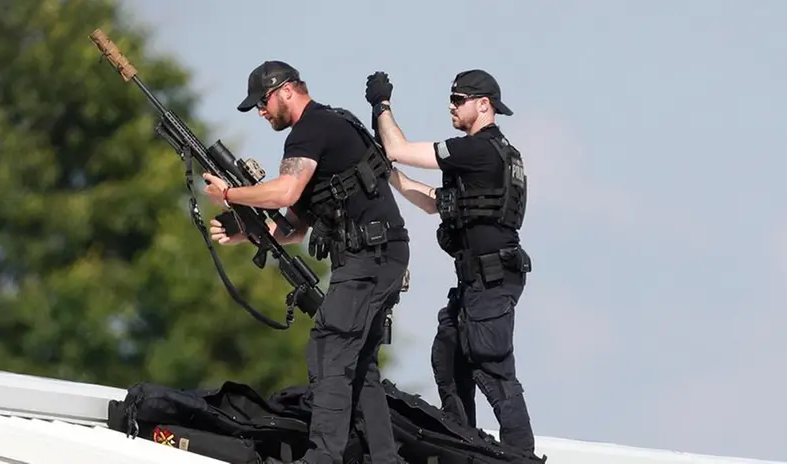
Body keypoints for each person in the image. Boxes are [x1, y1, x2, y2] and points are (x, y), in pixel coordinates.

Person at [203, 60, 410, 464]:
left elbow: (283, 191)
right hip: (375, 254)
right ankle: (385, 458)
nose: (261, 112)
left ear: (286, 91)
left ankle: (323, 457)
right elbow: (295, 226)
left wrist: (230, 194)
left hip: (371, 254)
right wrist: (244, 232)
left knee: (329, 347)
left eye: (262, 102)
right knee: (358, 360)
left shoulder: (310, 130)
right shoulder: (326, 130)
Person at [363, 69, 537, 455]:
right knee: (449, 357)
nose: (451, 107)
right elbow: (432, 201)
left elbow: (398, 147)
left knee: (491, 369)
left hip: (491, 280)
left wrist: (381, 106)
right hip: (479, 282)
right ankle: (465, 447)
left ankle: (522, 456)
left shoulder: (477, 150)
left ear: (483, 105)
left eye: (459, 100)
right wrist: (388, 173)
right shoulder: (487, 156)